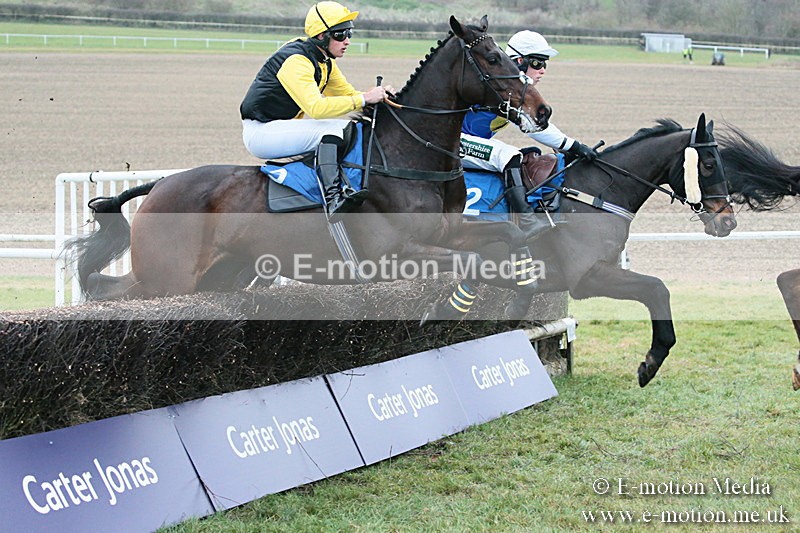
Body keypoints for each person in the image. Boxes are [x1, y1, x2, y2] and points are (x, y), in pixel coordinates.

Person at [240, 1, 394, 221]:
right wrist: (364, 98)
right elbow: (317, 109)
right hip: (261, 133)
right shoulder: (297, 61)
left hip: (281, 127)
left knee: (350, 127)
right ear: (322, 36)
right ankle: (333, 198)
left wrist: (379, 97)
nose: (347, 40)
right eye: (341, 34)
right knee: (334, 130)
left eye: (349, 32)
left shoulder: (323, 60)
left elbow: (349, 94)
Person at [460, 30, 597, 238]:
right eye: (537, 63)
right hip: (452, 143)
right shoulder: (499, 86)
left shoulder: (512, 89)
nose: (542, 70)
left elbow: (535, 126)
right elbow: (536, 127)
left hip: (467, 143)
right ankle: (526, 220)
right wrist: (573, 146)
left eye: (545, 64)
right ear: (519, 61)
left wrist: (572, 146)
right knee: (507, 155)